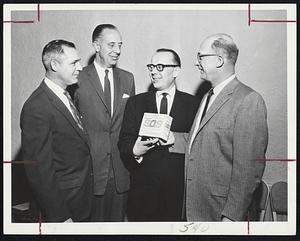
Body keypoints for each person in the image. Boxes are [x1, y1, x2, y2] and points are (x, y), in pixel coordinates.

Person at [170, 33, 268, 221]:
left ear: (219, 60)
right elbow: (202, 141)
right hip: (196, 209)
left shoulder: (249, 100)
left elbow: (249, 170)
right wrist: (171, 137)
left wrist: (231, 216)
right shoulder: (208, 96)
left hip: (220, 213)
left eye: (201, 56)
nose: (196, 62)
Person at [118, 48, 199, 221]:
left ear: (176, 70)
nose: (154, 71)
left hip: (178, 195)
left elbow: (199, 146)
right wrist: (135, 151)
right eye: (152, 66)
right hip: (143, 196)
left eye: (160, 66)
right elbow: (123, 141)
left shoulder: (193, 104)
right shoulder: (136, 103)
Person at [20, 39, 93, 222]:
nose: (80, 67)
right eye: (74, 63)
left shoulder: (65, 95)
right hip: (63, 207)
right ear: (54, 65)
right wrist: (60, 217)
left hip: (81, 200)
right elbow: (39, 171)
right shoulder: (37, 106)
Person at [74, 24, 135, 221]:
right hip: (90, 173)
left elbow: (130, 125)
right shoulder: (78, 78)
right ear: (96, 46)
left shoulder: (128, 78)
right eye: (111, 45)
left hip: (120, 174)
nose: (117, 50)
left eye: (120, 45)